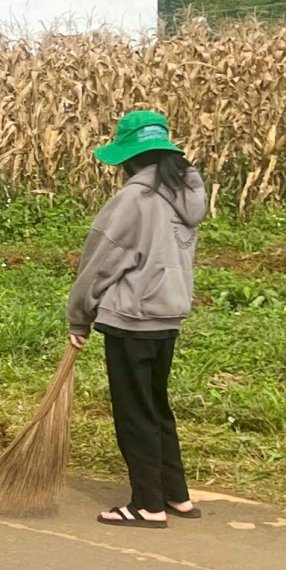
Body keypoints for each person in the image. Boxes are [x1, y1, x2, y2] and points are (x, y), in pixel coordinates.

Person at [67, 110, 208, 529]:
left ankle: (147, 504)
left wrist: (80, 317)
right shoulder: (188, 194)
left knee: (134, 414)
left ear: (130, 158)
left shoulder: (134, 199)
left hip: (131, 318)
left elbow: (100, 261)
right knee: (157, 407)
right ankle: (176, 495)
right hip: (168, 317)